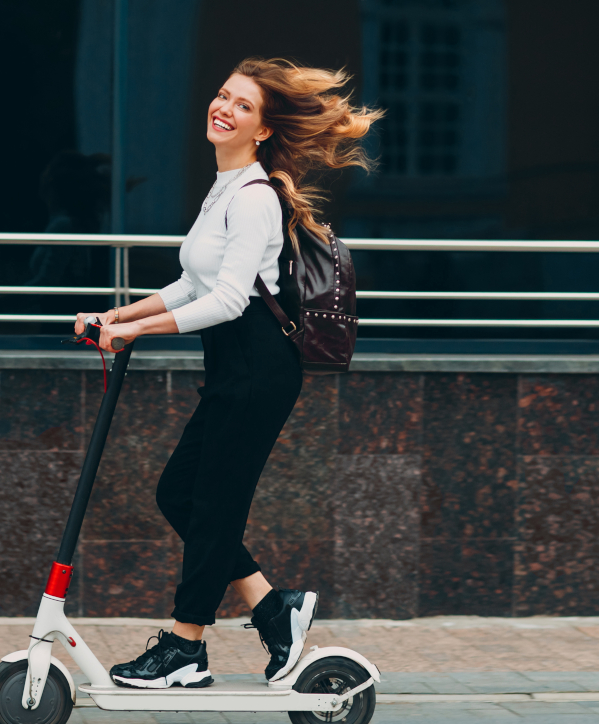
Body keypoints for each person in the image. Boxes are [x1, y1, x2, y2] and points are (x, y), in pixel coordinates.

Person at [73, 57, 381, 689]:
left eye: (243, 106)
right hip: (234, 371)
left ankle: (186, 648)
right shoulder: (224, 187)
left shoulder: (257, 199)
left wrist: (133, 333)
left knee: (213, 504)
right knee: (180, 495)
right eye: (222, 96)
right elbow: (192, 282)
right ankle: (274, 610)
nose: (224, 108)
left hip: (258, 371)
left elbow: (230, 299)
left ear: (262, 129)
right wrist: (117, 313)